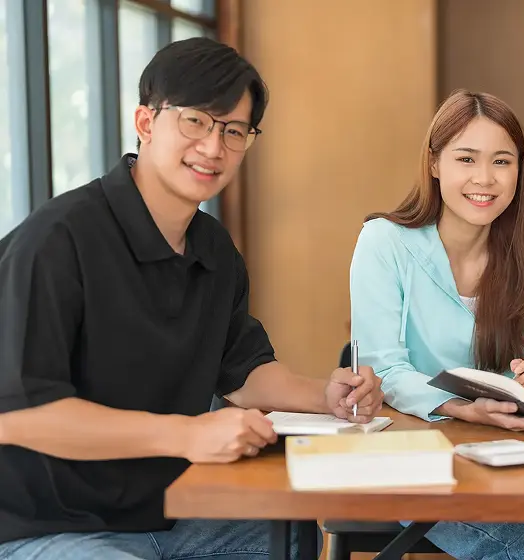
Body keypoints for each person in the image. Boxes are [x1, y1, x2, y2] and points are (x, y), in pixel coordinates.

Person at [0, 37, 383, 560]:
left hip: (165, 509)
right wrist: (185, 435)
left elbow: (243, 372)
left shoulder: (214, 249)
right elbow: (19, 414)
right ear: (146, 122)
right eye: (196, 121)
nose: (213, 147)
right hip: (42, 523)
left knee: (291, 537)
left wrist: (327, 396)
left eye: (233, 130)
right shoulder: (56, 241)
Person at [349, 89, 524, 560]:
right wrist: (463, 408)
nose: (484, 178)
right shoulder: (384, 243)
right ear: (435, 163)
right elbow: (382, 370)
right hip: (411, 451)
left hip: (514, 447)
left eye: (502, 162)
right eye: (466, 159)